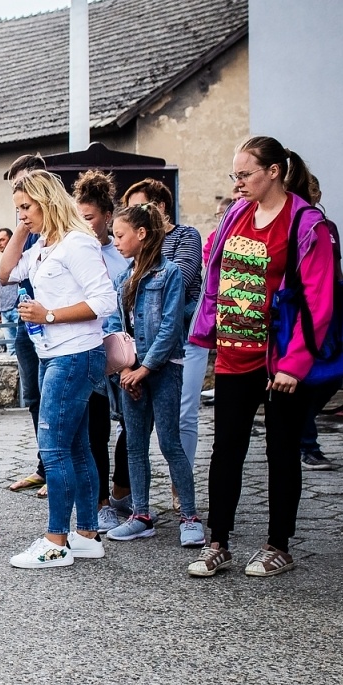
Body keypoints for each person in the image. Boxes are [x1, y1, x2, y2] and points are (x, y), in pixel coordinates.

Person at [187, 137, 336, 579]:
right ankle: (218, 542)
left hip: (280, 361)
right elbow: (216, 272)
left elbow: (318, 299)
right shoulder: (237, 214)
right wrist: (210, 330)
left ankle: (278, 545)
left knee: (282, 450)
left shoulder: (306, 223)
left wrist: (295, 363)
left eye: (245, 174)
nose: (238, 183)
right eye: (234, 175)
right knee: (226, 449)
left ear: (273, 172)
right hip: (234, 353)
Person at [0, 168, 117, 569]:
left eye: (26, 207)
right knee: (78, 448)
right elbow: (5, 273)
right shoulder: (45, 246)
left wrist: (48, 315)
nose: (22, 215)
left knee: (52, 448)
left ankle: (56, 541)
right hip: (56, 355)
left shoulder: (77, 243)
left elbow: (104, 301)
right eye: (17, 209)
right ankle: (87, 536)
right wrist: (22, 228)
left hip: (74, 355)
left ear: (47, 201)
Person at [103, 203, 203, 546]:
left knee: (170, 442)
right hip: (131, 375)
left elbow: (172, 327)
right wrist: (126, 370)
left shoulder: (170, 273)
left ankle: (189, 517)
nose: (116, 241)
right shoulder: (122, 279)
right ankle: (141, 515)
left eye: (120, 235)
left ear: (141, 234)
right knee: (134, 444)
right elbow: (115, 326)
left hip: (163, 369)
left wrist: (144, 369)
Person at [122, 178, 205, 470]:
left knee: (183, 415)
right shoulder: (132, 249)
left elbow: (179, 279)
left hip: (184, 338)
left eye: (139, 207)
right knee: (134, 424)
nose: (132, 216)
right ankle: (133, 488)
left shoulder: (185, 236)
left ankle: (180, 483)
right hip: (144, 344)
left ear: (160, 206)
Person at [74, 170, 133, 530]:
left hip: (123, 351)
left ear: (108, 216)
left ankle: (122, 489)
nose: (85, 225)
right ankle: (100, 502)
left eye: (90, 217)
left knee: (133, 424)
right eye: (79, 217)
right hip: (89, 349)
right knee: (95, 430)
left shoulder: (122, 254)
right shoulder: (73, 251)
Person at [3, 156, 49, 495]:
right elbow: (6, 272)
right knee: (33, 396)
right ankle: (44, 465)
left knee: (53, 397)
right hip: (26, 321)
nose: (20, 198)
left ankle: (59, 469)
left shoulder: (52, 226)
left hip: (52, 322)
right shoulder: (25, 226)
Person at [0, 227, 21, 347]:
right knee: (11, 347)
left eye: (2, 240)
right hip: (4, 309)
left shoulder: (18, 255)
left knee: (22, 345)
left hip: (17, 307)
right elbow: (0, 284)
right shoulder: (2, 258)